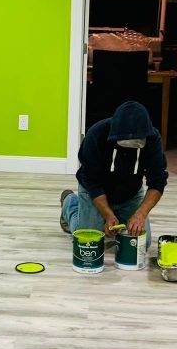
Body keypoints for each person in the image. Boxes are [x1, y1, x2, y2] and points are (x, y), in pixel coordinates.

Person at [59, 101, 168, 247]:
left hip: (130, 194)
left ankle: (118, 215)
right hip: (95, 191)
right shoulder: (96, 134)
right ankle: (70, 204)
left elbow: (158, 181)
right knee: (88, 241)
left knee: (141, 243)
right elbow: (91, 180)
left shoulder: (153, 139)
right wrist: (108, 215)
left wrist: (140, 215)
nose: (130, 145)